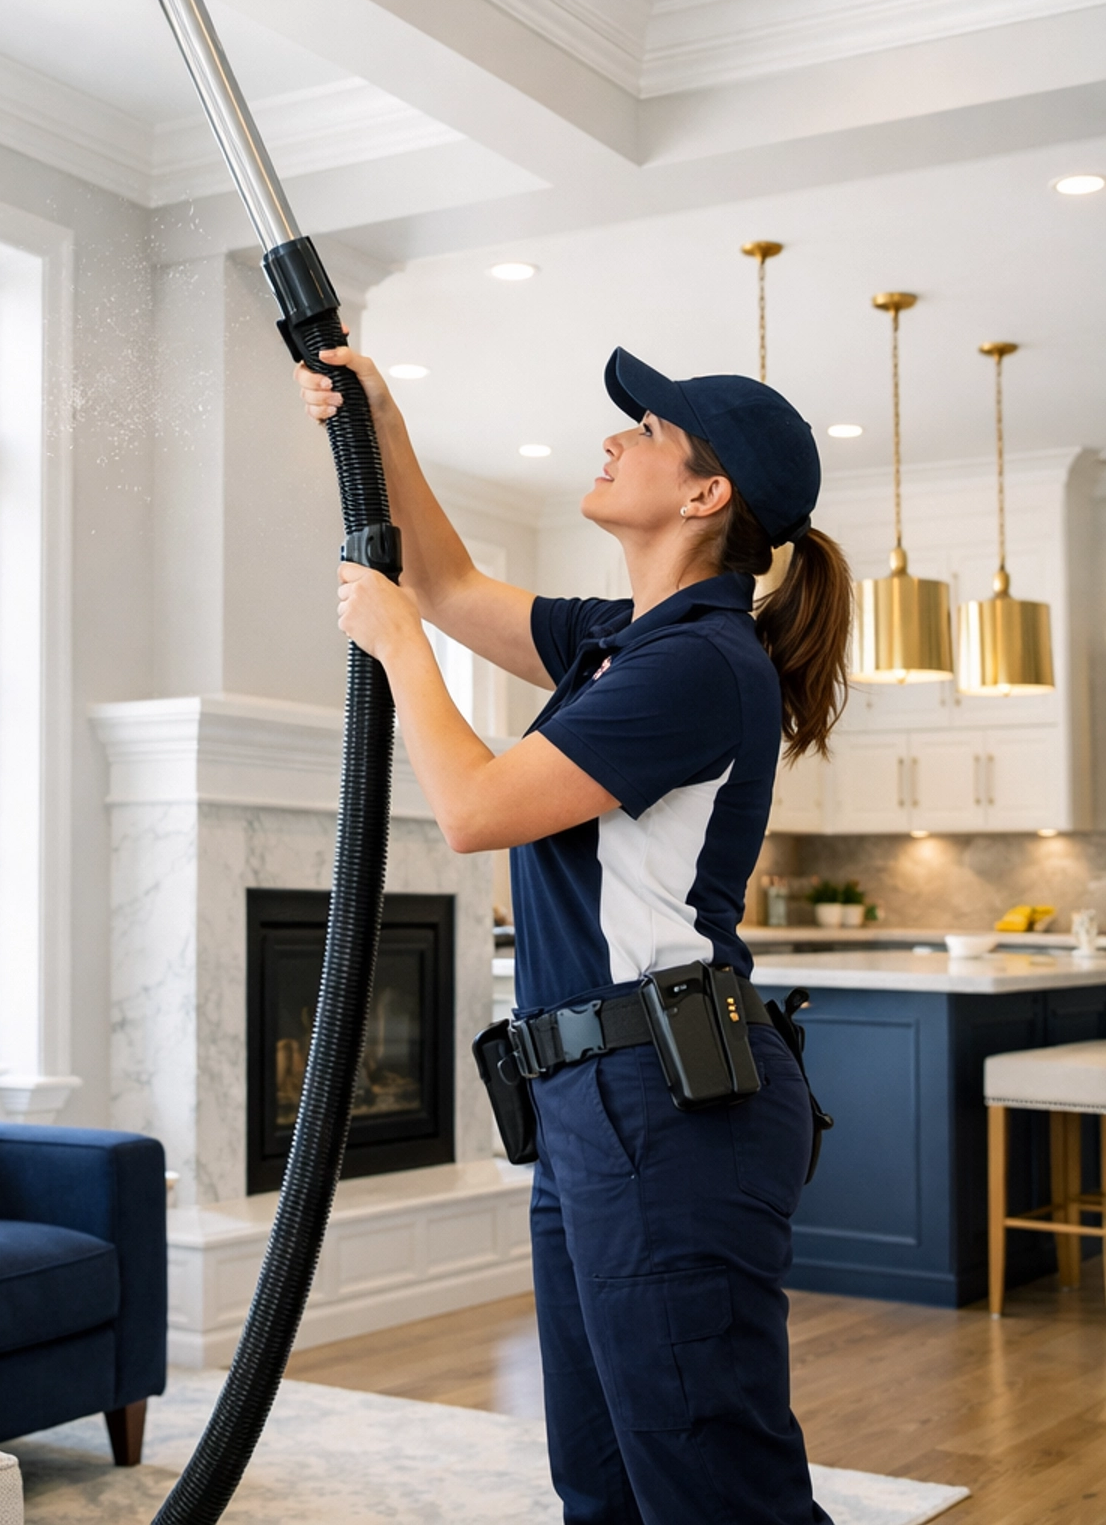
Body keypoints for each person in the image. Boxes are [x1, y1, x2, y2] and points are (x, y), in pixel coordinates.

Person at [296, 338, 853, 1525]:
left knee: (710, 1485)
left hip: (669, 1100)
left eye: (647, 430)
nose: (615, 437)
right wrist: (382, 420)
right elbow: (448, 586)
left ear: (707, 496)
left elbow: (475, 811)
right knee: (601, 1480)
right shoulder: (624, 637)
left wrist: (399, 646)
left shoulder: (701, 665)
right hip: (595, 1098)